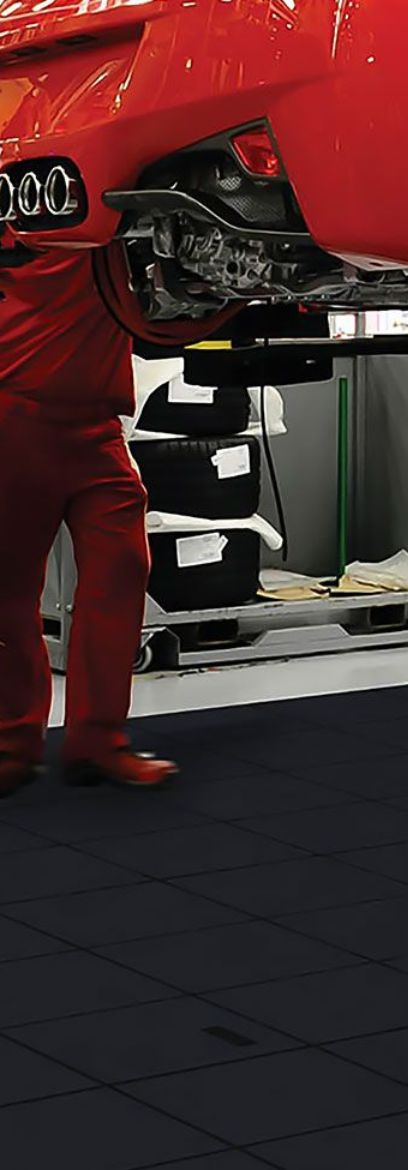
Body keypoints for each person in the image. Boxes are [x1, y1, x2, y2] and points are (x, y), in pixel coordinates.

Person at [0, 243, 178, 797]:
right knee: (7, 594)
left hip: (98, 426)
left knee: (122, 568)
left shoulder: (112, 208)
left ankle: (97, 741)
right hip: (16, 415)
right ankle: (12, 743)